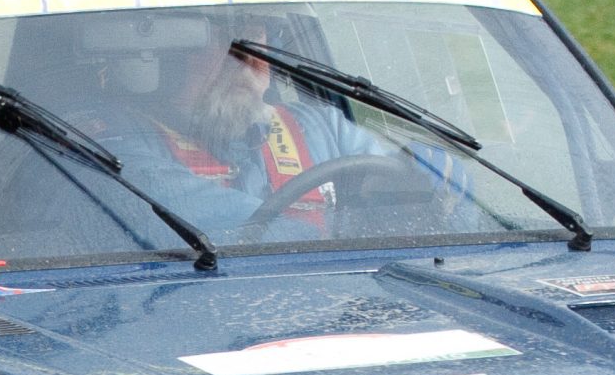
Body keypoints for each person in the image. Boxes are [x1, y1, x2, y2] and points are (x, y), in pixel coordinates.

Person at [86, 13, 390, 242]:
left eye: (253, 34)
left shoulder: (324, 127)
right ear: (165, 55)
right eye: (218, 39)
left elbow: (409, 189)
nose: (245, 59)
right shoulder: (111, 142)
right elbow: (192, 215)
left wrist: (433, 170)